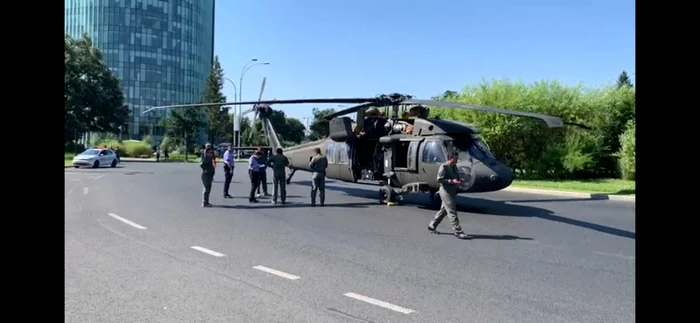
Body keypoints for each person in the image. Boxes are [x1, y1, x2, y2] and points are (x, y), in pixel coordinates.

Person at [428, 153, 468, 239]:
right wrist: (451, 181)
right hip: (445, 191)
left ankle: (432, 225)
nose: (457, 160)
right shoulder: (444, 167)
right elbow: (439, 179)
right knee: (452, 210)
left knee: (444, 210)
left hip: (452, 191)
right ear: (451, 158)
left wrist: (459, 180)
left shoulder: (454, 167)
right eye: (456, 158)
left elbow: (455, 178)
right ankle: (458, 231)